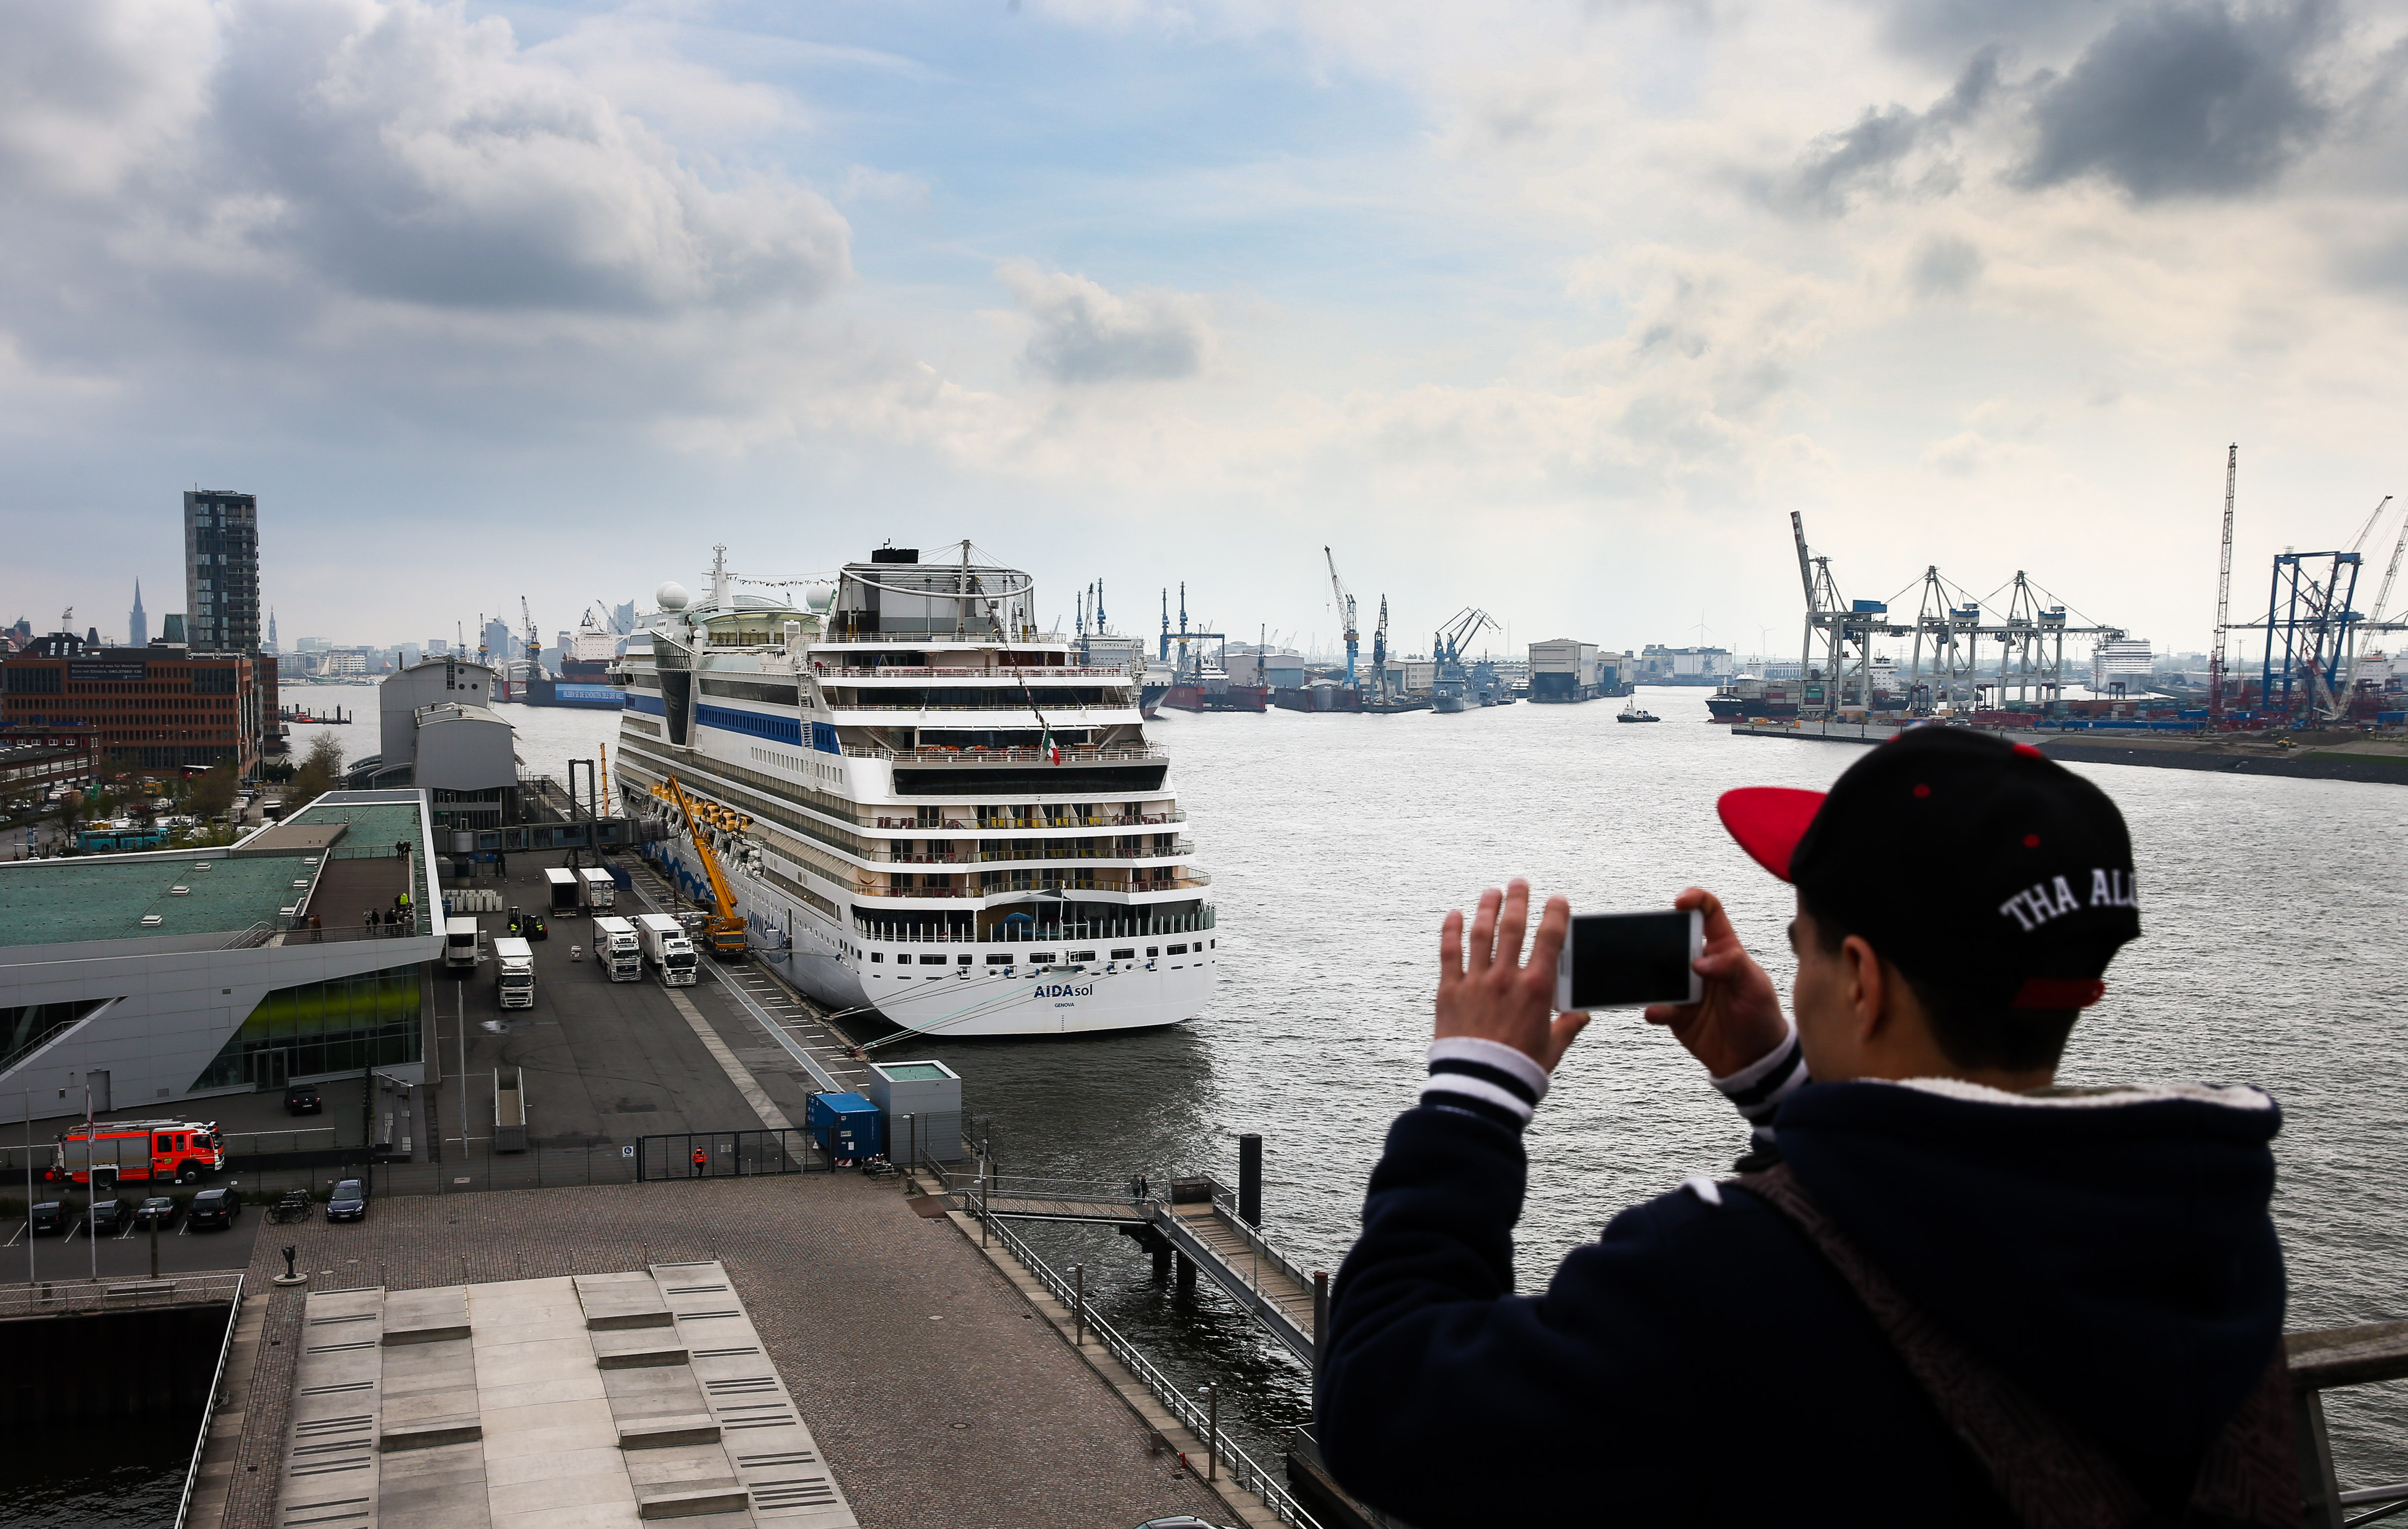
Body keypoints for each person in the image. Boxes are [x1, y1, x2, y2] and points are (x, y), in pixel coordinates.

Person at [1316, 729, 2293, 1527]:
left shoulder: (1705, 1276)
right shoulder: (2214, 1230)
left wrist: (1472, 1099)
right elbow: (1944, 1240)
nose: (1799, 973)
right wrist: (1786, 1086)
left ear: (1860, 980)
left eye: (1802, 946)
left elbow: (1384, 1407)